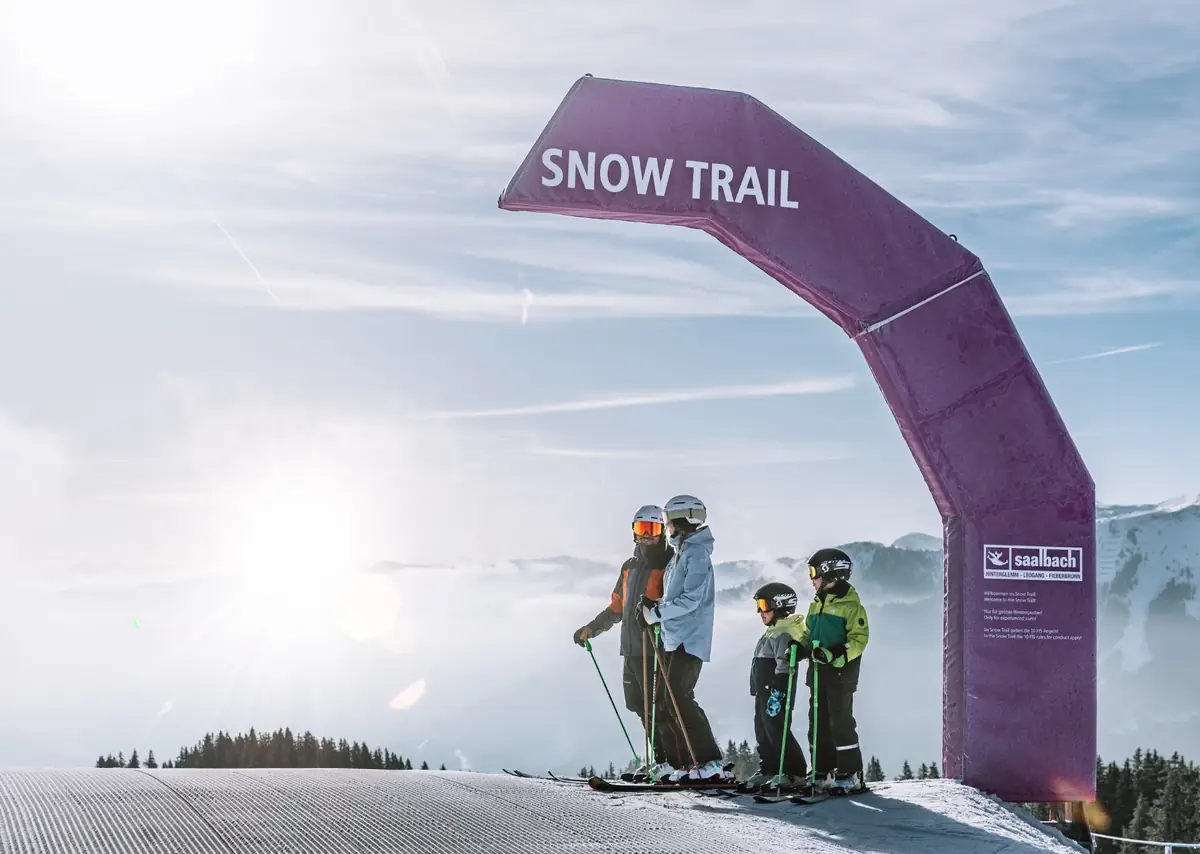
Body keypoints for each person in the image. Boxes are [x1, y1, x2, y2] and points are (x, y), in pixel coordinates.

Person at [573, 505, 676, 780]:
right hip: (630, 647)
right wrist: (592, 628)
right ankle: (660, 759)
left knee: (659, 707)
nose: (645, 536)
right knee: (638, 705)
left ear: (662, 531)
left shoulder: (670, 564)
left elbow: (673, 606)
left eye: (651, 529)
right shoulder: (629, 567)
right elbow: (617, 607)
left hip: (656, 648)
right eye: (640, 529)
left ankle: (672, 762)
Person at [637, 494, 733, 784]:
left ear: (682, 521)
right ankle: (693, 763)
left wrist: (657, 613)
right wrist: (654, 609)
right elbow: (674, 596)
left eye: (668, 522)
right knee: (669, 699)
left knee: (680, 696)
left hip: (690, 639)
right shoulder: (682, 553)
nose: (665, 527)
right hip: (674, 637)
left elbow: (691, 599)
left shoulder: (696, 554)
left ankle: (710, 761)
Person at [797, 547, 870, 793]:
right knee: (816, 723)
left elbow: (859, 639)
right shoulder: (816, 604)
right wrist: (799, 647)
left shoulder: (850, 606)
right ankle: (821, 770)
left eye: (814, 572)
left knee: (840, 723)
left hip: (840, 675)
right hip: (817, 675)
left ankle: (851, 773)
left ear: (830, 574)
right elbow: (808, 634)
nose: (811, 577)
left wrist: (837, 654)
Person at [742, 581, 810, 792]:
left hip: (775, 692)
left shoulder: (784, 632)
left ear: (779, 605)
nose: (759, 612)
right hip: (763, 692)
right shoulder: (774, 630)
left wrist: (779, 689)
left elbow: (784, 663)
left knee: (777, 730)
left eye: (763, 605)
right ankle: (770, 768)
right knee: (762, 730)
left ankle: (795, 772)